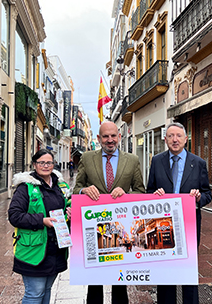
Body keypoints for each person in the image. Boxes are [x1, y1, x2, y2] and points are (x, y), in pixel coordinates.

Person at [73, 121, 145, 304]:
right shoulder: (87, 158)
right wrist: (84, 191)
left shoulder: (132, 160)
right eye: (105, 136)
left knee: (120, 280)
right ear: (99, 138)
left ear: (119, 137)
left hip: (121, 228)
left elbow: (141, 191)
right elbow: (76, 188)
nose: (110, 140)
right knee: (94, 280)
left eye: (113, 136)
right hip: (94, 228)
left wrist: (127, 194)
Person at [147, 122, 212, 304]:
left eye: (178, 136)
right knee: (165, 272)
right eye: (170, 136)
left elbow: (208, 194)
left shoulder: (198, 163)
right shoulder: (157, 161)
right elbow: (148, 190)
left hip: (188, 225)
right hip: (162, 225)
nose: (174, 140)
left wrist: (199, 198)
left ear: (186, 139)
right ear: (165, 139)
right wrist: (154, 195)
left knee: (188, 272)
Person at [8, 149, 71, 304]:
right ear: (34, 164)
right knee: (34, 293)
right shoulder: (25, 187)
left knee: (47, 290)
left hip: (55, 248)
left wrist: (70, 212)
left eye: (49, 162)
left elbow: (66, 206)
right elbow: (14, 216)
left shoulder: (60, 186)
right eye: (41, 162)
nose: (45, 165)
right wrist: (42, 220)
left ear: (53, 164)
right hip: (34, 249)